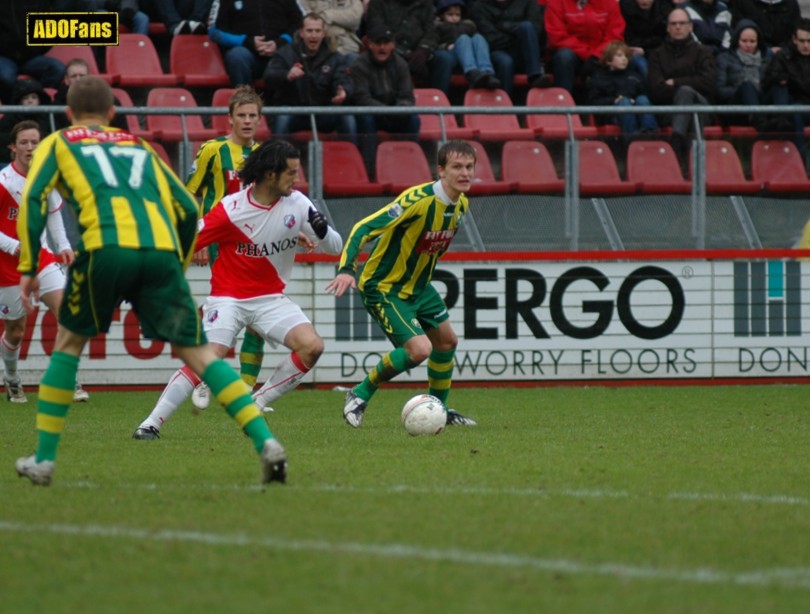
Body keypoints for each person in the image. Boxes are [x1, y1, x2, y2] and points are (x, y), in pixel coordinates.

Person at [14, 76, 287, 487]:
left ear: (68, 114)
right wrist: (174, 263)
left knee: (69, 344)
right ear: (112, 113)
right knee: (199, 354)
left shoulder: (59, 142)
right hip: (158, 251)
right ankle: (266, 442)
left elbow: (34, 199)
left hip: (105, 247)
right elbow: (182, 204)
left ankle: (45, 459)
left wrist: (30, 266)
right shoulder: (136, 144)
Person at [132, 140, 343, 439]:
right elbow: (185, 243)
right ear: (270, 174)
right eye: (291, 173)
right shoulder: (231, 210)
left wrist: (322, 231)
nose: (297, 179)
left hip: (270, 298)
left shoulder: (298, 203)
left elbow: (335, 247)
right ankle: (150, 424)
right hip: (228, 297)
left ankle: (256, 403)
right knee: (208, 356)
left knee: (313, 346)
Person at [325, 140, 478, 429]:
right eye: (457, 167)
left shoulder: (462, 205)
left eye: (469, 167)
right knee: (420, 349)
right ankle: (358, 394)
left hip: (418, 286)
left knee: (447, 342)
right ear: (441, 170)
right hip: (384, 286)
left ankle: (440, 409)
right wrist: (347, 269)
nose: (465, 173)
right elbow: (363, 228)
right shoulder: (417, 201)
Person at [184, 85, 267, 408]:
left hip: (258, 244)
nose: (247, 121)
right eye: (241, 115)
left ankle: (246, 391)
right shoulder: (211, 151)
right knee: (225, 311)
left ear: (259, 120)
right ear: (229, 119)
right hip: (221, 241)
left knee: (258, 318)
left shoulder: (263, 155)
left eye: (252, 116)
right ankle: (207, 376)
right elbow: (190, 194)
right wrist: (197, 238)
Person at [0, 120, 86, 403]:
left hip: (42, 258)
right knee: (15, 330)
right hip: (8, 266)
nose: (29, 148)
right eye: (23, 142)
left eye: (35, 142)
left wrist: (63, 246)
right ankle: (12, 379)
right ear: (13, 147)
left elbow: (54, 213)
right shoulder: (3, 183)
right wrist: (14, 247)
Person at [263, 13, 357, 142]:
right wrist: (287, 75)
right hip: (293, 112)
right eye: (309, 31)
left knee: (347, 116)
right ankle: (276, 160)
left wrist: (343, 91)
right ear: (301, 33)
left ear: (323, 33)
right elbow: (269, 76)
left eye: (317, 31)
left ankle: (351, 159)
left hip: (323, 113)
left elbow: (342, 79)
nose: (313, 35)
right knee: (282, 118)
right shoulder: (285, 53)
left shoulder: (335, 57)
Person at [648, 8, 716, 169]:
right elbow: (655, 90)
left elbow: (709, 83)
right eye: (674, 23)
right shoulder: (657, 55)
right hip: (671, 111)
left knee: (686, 92)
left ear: (690, 26)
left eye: (682, 23)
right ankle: (697, 169)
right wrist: (688, 85)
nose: (678, 27)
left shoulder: (703, 52)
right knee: (692, 110)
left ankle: (677, 146)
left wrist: (677, 82)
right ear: (668, 28)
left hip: (704, 107)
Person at [349, 25, 420, 178]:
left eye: (386, 43)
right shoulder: (359, 64)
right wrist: (386, 110)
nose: (382, 47)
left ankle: (409, 169)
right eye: (378, 43)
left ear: (393, 45)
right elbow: (361, 98)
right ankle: (371, 173)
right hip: (373, 114)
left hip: (395, 113)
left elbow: (407, 95)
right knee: (366, 120)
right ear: (370, 44)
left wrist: (399, 109)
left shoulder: (401, 64)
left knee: (413, 120)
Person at [365, 0, 456, 95]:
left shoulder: (425, 3)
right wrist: (405, 53)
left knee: (445, 59)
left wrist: (423, 49)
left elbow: (432, 32)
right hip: (391, 49)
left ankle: (438, 103)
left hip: (419, 50)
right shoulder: (378, 2)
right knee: (386, 57)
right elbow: (376, 30)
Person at [544, 0, 626, 98]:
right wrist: (588, 54)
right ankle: (563, 104)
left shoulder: (609, 3)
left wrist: (597, 55)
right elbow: (557, 37)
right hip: (572, 55)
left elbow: (615, 34)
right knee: (564, 57)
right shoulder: (556, 3)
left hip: (601, 55)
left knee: (622, 59)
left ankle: (613, 105)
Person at [208, 0, 299, 88]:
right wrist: (246, 41)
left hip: (281, 54)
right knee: (237, 56)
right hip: (247, 55)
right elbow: (214, 31)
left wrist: (281, 42)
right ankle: (244, 100)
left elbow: (300, 24)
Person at [470, 0, 547, 98]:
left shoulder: (528, 2)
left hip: (524, 51)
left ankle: (535, 76)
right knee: (505, 61)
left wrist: (505, 26)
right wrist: (518, 34)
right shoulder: (480, 6)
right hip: (496, 50)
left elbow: (535, 30)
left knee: (527, 27)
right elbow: (491, 39)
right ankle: (503, 105)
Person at [761, 18, 810, 160]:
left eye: (809, 41)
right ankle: (800, 163)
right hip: (791, 105)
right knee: (793, 109)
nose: (806, 45)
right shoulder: (783, 56)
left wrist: (791, 80)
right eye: (802, 41)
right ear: (794, 39)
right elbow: (767, 83)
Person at [0, 0, 66, 105]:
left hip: (31, 57)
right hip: (4, 57)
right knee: (5, 76)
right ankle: (13, 111)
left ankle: (42, 106)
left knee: (58, 68)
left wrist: (37, 49)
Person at [586, 41, 658, 135]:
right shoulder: (599, 78)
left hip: (635, 112)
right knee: (624, 101)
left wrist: (632, 100)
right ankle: (632, 137)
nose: (624, 59)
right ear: (609, 60)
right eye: (620, 56)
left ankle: (651, 134)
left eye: (626, 56)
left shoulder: (634, 76)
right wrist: (615, 100)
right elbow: (594, 102)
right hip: (611, 114)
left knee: (642, 99)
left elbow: (643, 93)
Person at [715, 20, 774, 129]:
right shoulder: (724, 59)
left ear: (758, 42)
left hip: (761, 103)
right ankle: (759, 122)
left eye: (752, 41)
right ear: (737, 40)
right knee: (747, 86)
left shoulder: (767, 61)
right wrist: (742, 90)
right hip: (735, 108)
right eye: (744, 41)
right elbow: (720, 91)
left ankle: (781, 121)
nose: (748, 45)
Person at [435, 0, 501, 90]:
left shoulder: (468, 25)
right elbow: (433, 43)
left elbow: (476, 43)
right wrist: (446, 46)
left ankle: (487, 72)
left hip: (468, 52)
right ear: (442, 15)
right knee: (464, 38)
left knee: (478, 37)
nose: (454, 18)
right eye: (450, 15)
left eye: (457, 15)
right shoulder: (439, 26)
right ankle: (472, 73)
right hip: (451, 53)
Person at [0, 79, 54, 166]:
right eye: (25, 98)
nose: (30, 101)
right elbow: (3, 144)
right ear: (19, 101)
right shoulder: (9, 118)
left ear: (40, 100)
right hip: (12, 162)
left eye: (33, 97)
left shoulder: (49, 117)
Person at [620, 0, 673, 81]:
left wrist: (645, 50)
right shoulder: (626, 9)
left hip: (660, 50)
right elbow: (628, 37)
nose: (644, 1)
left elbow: (667, 38)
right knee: (642, 65)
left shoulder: (664, 9)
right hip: (635, 50)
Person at [729, 0, 801, 54]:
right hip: (752, 55)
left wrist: (783, 49)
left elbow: (796, 32)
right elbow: (737, 32)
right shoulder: (741, 3)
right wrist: (766, 50)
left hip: (784, 56)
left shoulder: (790, 3)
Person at [300, 0, 364, 58]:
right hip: (320, 47)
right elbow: (309, 23)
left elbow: (356, 19)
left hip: (347, 46)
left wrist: (326, 15)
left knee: (353, 59)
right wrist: (341, 26)